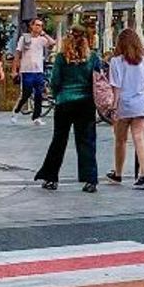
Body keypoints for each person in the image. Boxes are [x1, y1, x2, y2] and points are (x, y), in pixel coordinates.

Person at [34, 22, 102, 191]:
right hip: (86, 103)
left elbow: (55, 81)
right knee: (86, 141)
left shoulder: (61, 57)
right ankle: (90, 180)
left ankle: (51, 178)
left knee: (59, 140)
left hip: (65, 102)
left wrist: (58, 96)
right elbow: (98, 79)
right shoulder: (92, 57)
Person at [107, 26, 144, 189]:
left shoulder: (116, 61)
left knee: (120, 140)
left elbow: (116, 86)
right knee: (139, 138)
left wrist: (113, 107)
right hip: (142, 103)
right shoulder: (143, 61)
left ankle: (118, 174)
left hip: (124, 104)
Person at [11, 17, 53, 124]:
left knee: (39, 94)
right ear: (32, 26)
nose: (39, 27)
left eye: (41, 26)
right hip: (27, 71)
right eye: (37, 25)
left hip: (38, 71)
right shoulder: (24, 38)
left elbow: (53, 43)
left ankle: (36, 117)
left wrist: (44, 34)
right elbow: (18, 54)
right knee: (26, 93)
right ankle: (16, 111)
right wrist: (14, 70)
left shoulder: (42, 39)